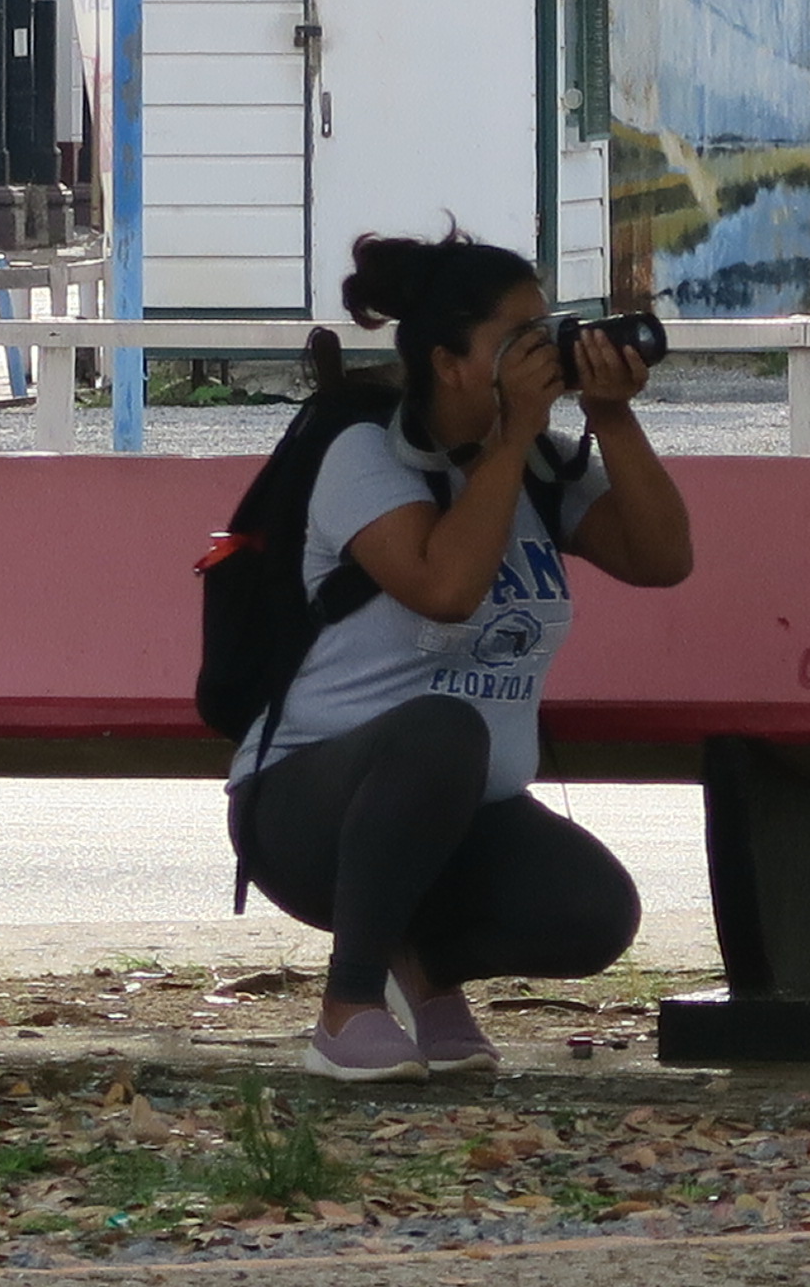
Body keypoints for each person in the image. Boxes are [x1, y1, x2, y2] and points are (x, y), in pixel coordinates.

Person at [233, 228, 693, 1080]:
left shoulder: (542, 468)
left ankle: (426, 973)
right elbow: (443, 587)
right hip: (309, 810)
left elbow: (662, 559)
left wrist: (610, 415)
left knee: (594, 911)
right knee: (442, 729)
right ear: (449, 363)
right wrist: (510, 439)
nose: (544, 352)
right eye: (519, 339)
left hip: (461, 818)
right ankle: (348, 1009)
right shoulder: (364, 455)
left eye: (546, 330)